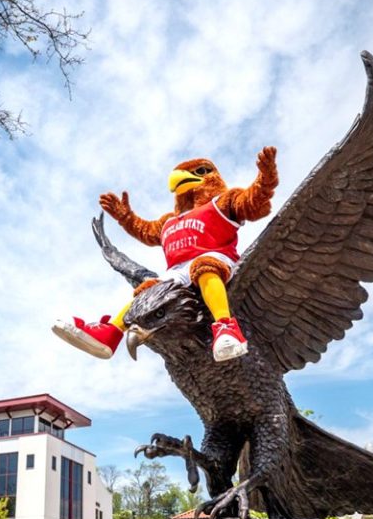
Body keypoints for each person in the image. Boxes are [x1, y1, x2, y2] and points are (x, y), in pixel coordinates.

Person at [52, 148, 278, 363]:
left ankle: (226, 327)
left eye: (199, 171)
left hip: (216, 259)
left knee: (204, 266)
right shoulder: (169, 220)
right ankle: (110, 334)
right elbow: (145, 230)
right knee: (148, 291)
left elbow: (253, 201)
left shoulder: (222, 203)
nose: (183, 177)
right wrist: (125, 216)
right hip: (177, 273)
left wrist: (265, 177)